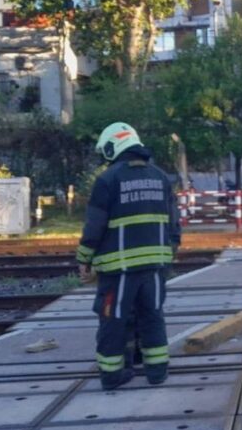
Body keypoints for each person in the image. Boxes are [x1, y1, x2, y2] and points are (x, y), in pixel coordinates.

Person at [76, 122, 180, 391]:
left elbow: (94, 226)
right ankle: (157, 372)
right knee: (152, 317)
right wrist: (168, 253)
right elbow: (173, 224)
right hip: (155, 268)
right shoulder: (160, 177)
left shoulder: (108, 180)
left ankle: (112, 376)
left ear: (113, 147)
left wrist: (84, 258)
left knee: (112, 320)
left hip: (118, 270)